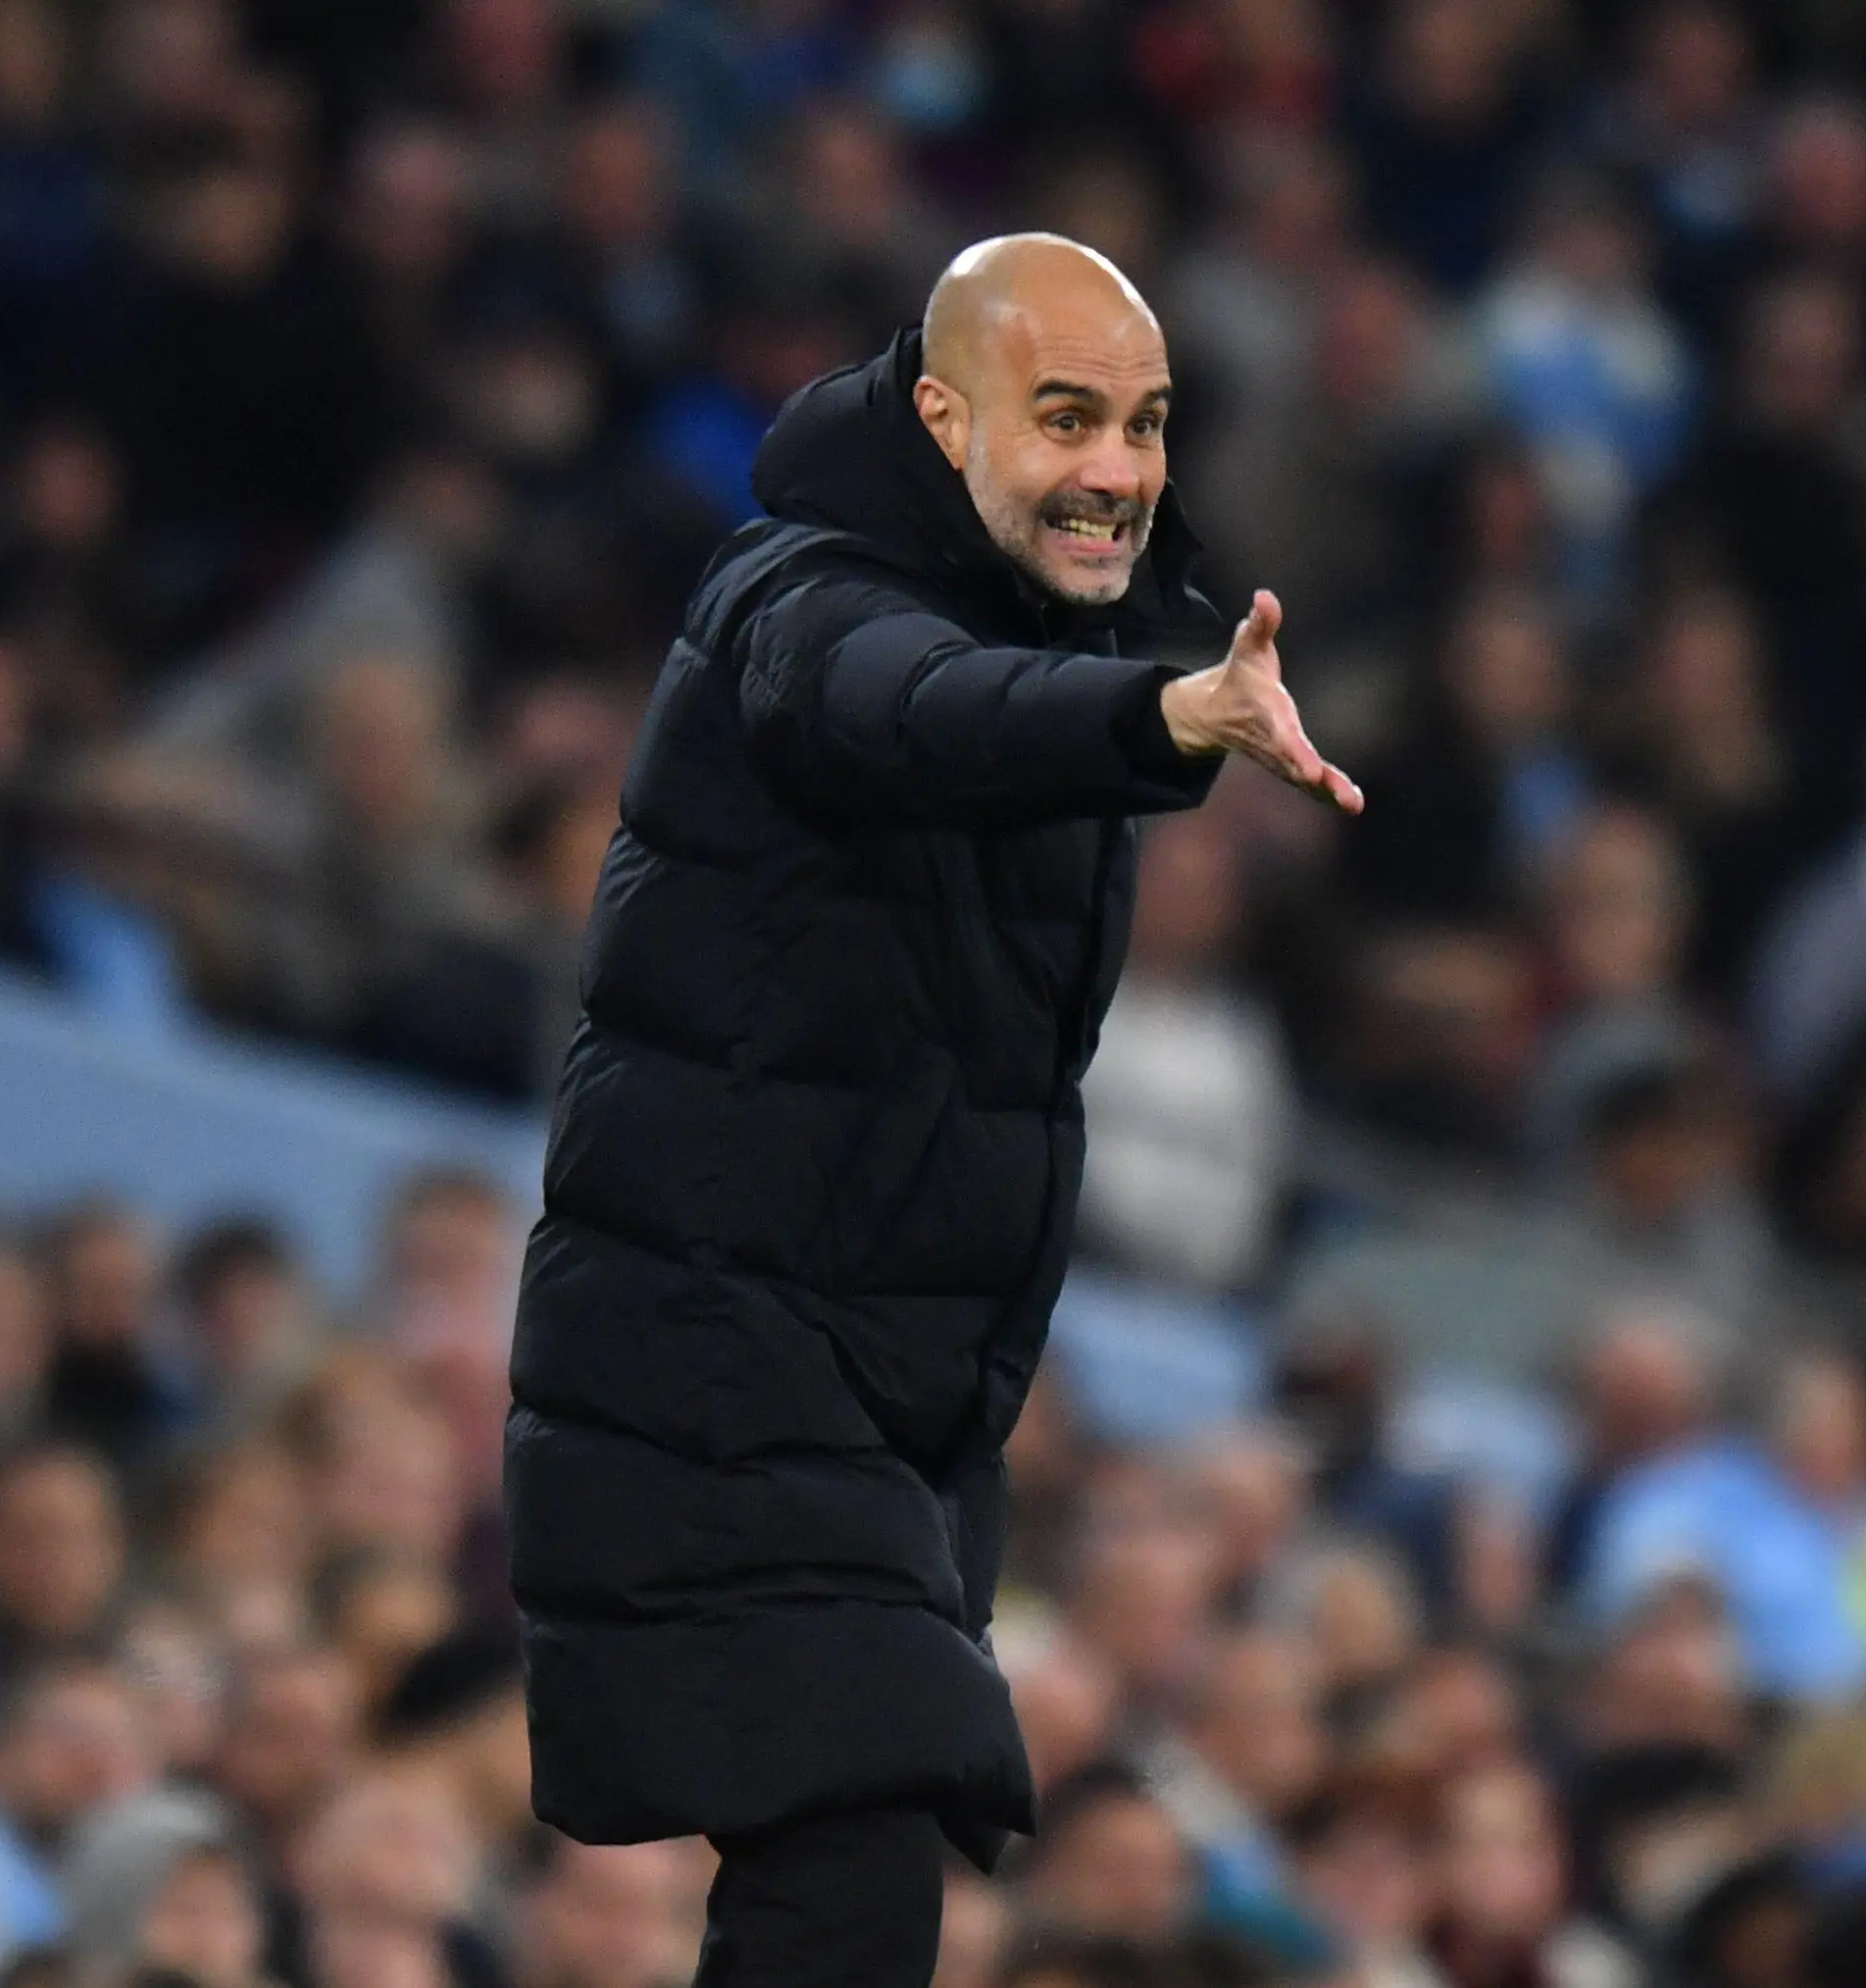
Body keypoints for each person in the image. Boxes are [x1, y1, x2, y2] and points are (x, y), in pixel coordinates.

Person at [505, 231, 1361, 1988]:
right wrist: (1161, 710)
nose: (1116, 472)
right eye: (1065, 419)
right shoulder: (797, 596)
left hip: (895, 1396)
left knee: (868, 1854)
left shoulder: (1068, 641)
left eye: (1144, 425)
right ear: (940, 413)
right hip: (721, 1349)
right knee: (864, 1831)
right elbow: (906, 710)